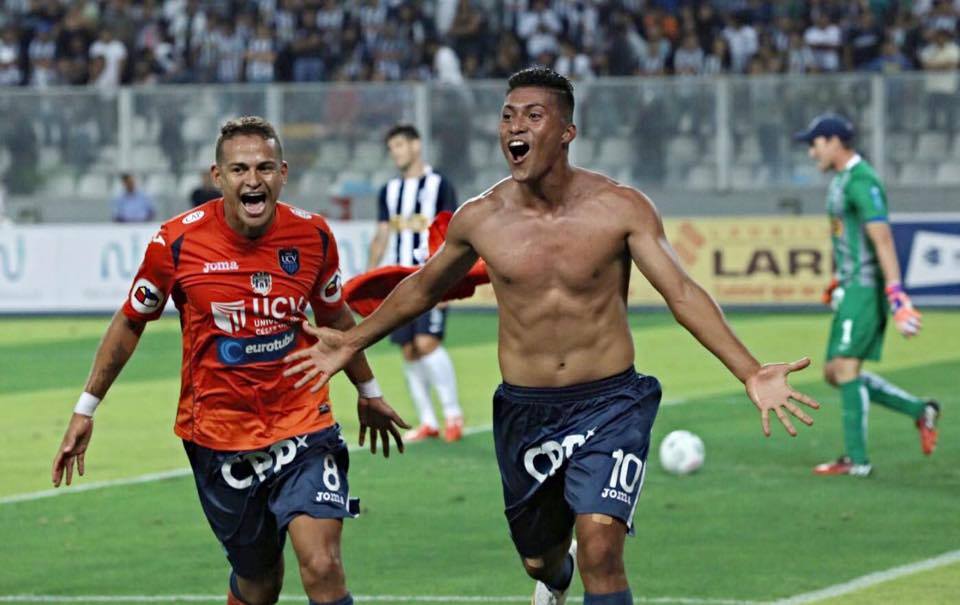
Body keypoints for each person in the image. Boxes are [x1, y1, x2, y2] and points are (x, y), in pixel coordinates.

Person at [285, 67, 820, 605]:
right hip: (526, 411)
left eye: (533, 116)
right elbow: (422, 288)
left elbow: (681, 292)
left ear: (567, 132)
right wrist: (352, 341)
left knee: (601, 551)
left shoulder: (620, 207)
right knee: (540, 558)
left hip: (611, 403)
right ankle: (554, 578)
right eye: (507, 116)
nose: (515, 127)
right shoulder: (481, 217)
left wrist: (749, 370)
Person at [52, 116, 409, 605]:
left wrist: (368, 390)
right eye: (239, 169)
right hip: (218, 436)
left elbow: (335, 318)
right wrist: (86, 408)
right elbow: (131, 321)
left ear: (283, 173)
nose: (253, 180)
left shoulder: (313, 235)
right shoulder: (176, 242)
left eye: (265, 168)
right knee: (260, 583)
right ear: (218, 177)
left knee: (323, 566)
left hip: (303, 424)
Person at [794, 114, 940, 478]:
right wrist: (838, 279)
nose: (812, 152)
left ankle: (857, 461)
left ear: (833, 141)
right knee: (834, 373)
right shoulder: (842, 180)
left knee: (846, 369)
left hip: (864, 288)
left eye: (815, 144)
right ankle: (919, 410)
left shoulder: (862, 180)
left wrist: (896, 294)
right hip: (851, 287)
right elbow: (850, 238)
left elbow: (882, 238)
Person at [367, 123, 464, 443]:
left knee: (426, 343)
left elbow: (450, 233)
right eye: (391, 148)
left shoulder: (440, 185)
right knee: (408, 349)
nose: (395, 152)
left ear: (416, 145)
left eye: (399, 145)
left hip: (432, 279)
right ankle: (428, 421)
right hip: (401, 281)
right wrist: (369, 277)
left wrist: (449, 279)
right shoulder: (389, 191)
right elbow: (382, 234)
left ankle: (453, 415)